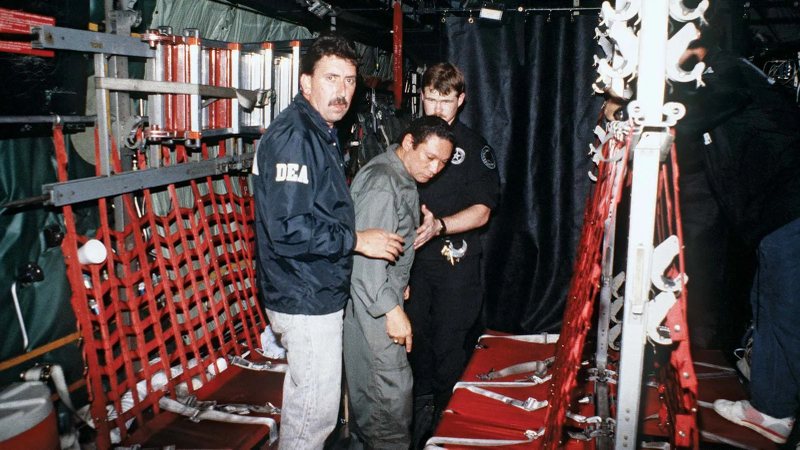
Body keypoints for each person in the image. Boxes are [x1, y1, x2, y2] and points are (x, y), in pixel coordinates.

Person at [252, 33, 404, 450]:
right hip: (303, 295)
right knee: (311, 421)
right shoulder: (295, 137)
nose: (342, 91)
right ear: (306, 82)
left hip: (315, 288)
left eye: (350, 80)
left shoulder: (320, 130)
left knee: (317, 412)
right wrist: (356, 240)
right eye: (331, 78)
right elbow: (288, 229)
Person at [673, 36, 800, 444]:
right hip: (775, 219)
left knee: (786, 312)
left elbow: (697, 116)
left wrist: (645, 115)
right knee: (770, 307)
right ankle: (771, 405)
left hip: (789, 212)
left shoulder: (727, 72)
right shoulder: (721, 78)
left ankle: (775, 412)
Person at [344, 116, 455, 449]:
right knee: (387, 411)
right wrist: (391, 310)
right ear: (408, 143)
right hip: (375, 309)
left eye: (443, 163)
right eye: (430, 157)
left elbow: (388, 245)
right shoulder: (383, 183)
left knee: (376, 413)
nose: (435, 169)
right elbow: (366, 264)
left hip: (378, 299)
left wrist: (398, 278)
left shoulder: (399, 176)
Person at [405, 62, 501, 442]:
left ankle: (447, 430)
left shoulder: (475, 147)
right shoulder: (408, 139)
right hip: (411, 265)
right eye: (431, 99)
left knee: (450, 348)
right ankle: (413, 422)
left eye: (445, 101)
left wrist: (440, 226)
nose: (437, 109)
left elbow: (483, 211)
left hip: (454, 266)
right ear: (422, 97)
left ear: (460, 100)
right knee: (412, 344)